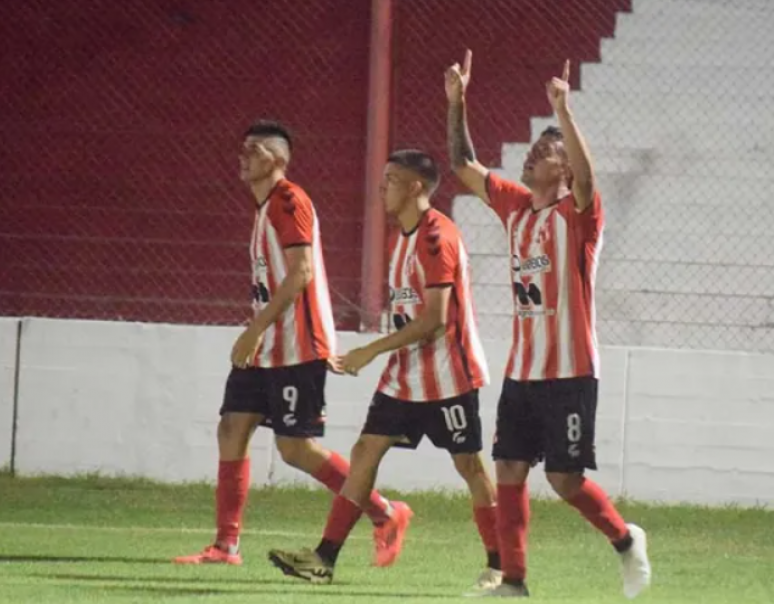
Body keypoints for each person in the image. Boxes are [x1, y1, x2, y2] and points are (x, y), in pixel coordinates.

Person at [445, 51, 651, 599]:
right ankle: (514, 581)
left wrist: (563, 112)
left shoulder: (579, 215)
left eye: (546, 150)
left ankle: (626, 540)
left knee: (563, 479)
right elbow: (462, 163)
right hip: (523, 373)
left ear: (563, 169)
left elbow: (586, 176)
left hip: (572, 372)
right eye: (535, 148)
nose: (534, 153)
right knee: (509, 467)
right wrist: (457, 101)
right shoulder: (515, 206)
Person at [267, 149, 502, 592]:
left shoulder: (437, 237)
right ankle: (324, 558)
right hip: (404, 375)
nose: (382, 187)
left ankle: (499, 563)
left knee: (469, 465)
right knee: (365, 451)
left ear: (415, 186)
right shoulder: (403, 235)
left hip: (448, 375)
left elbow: (435, 318)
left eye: (391, 179)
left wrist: (370, 350)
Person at [174, 120, 402, 567]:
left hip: (296, 346)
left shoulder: (288, 200)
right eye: (242, 148)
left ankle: (386, 512)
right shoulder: (263, 208)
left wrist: (254, 328)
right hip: (266, 348)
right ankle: (226, 546)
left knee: (296, 449)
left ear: (278, 159)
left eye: (254, 149)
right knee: (231, 429)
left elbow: (301, 274)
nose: (243, 155)